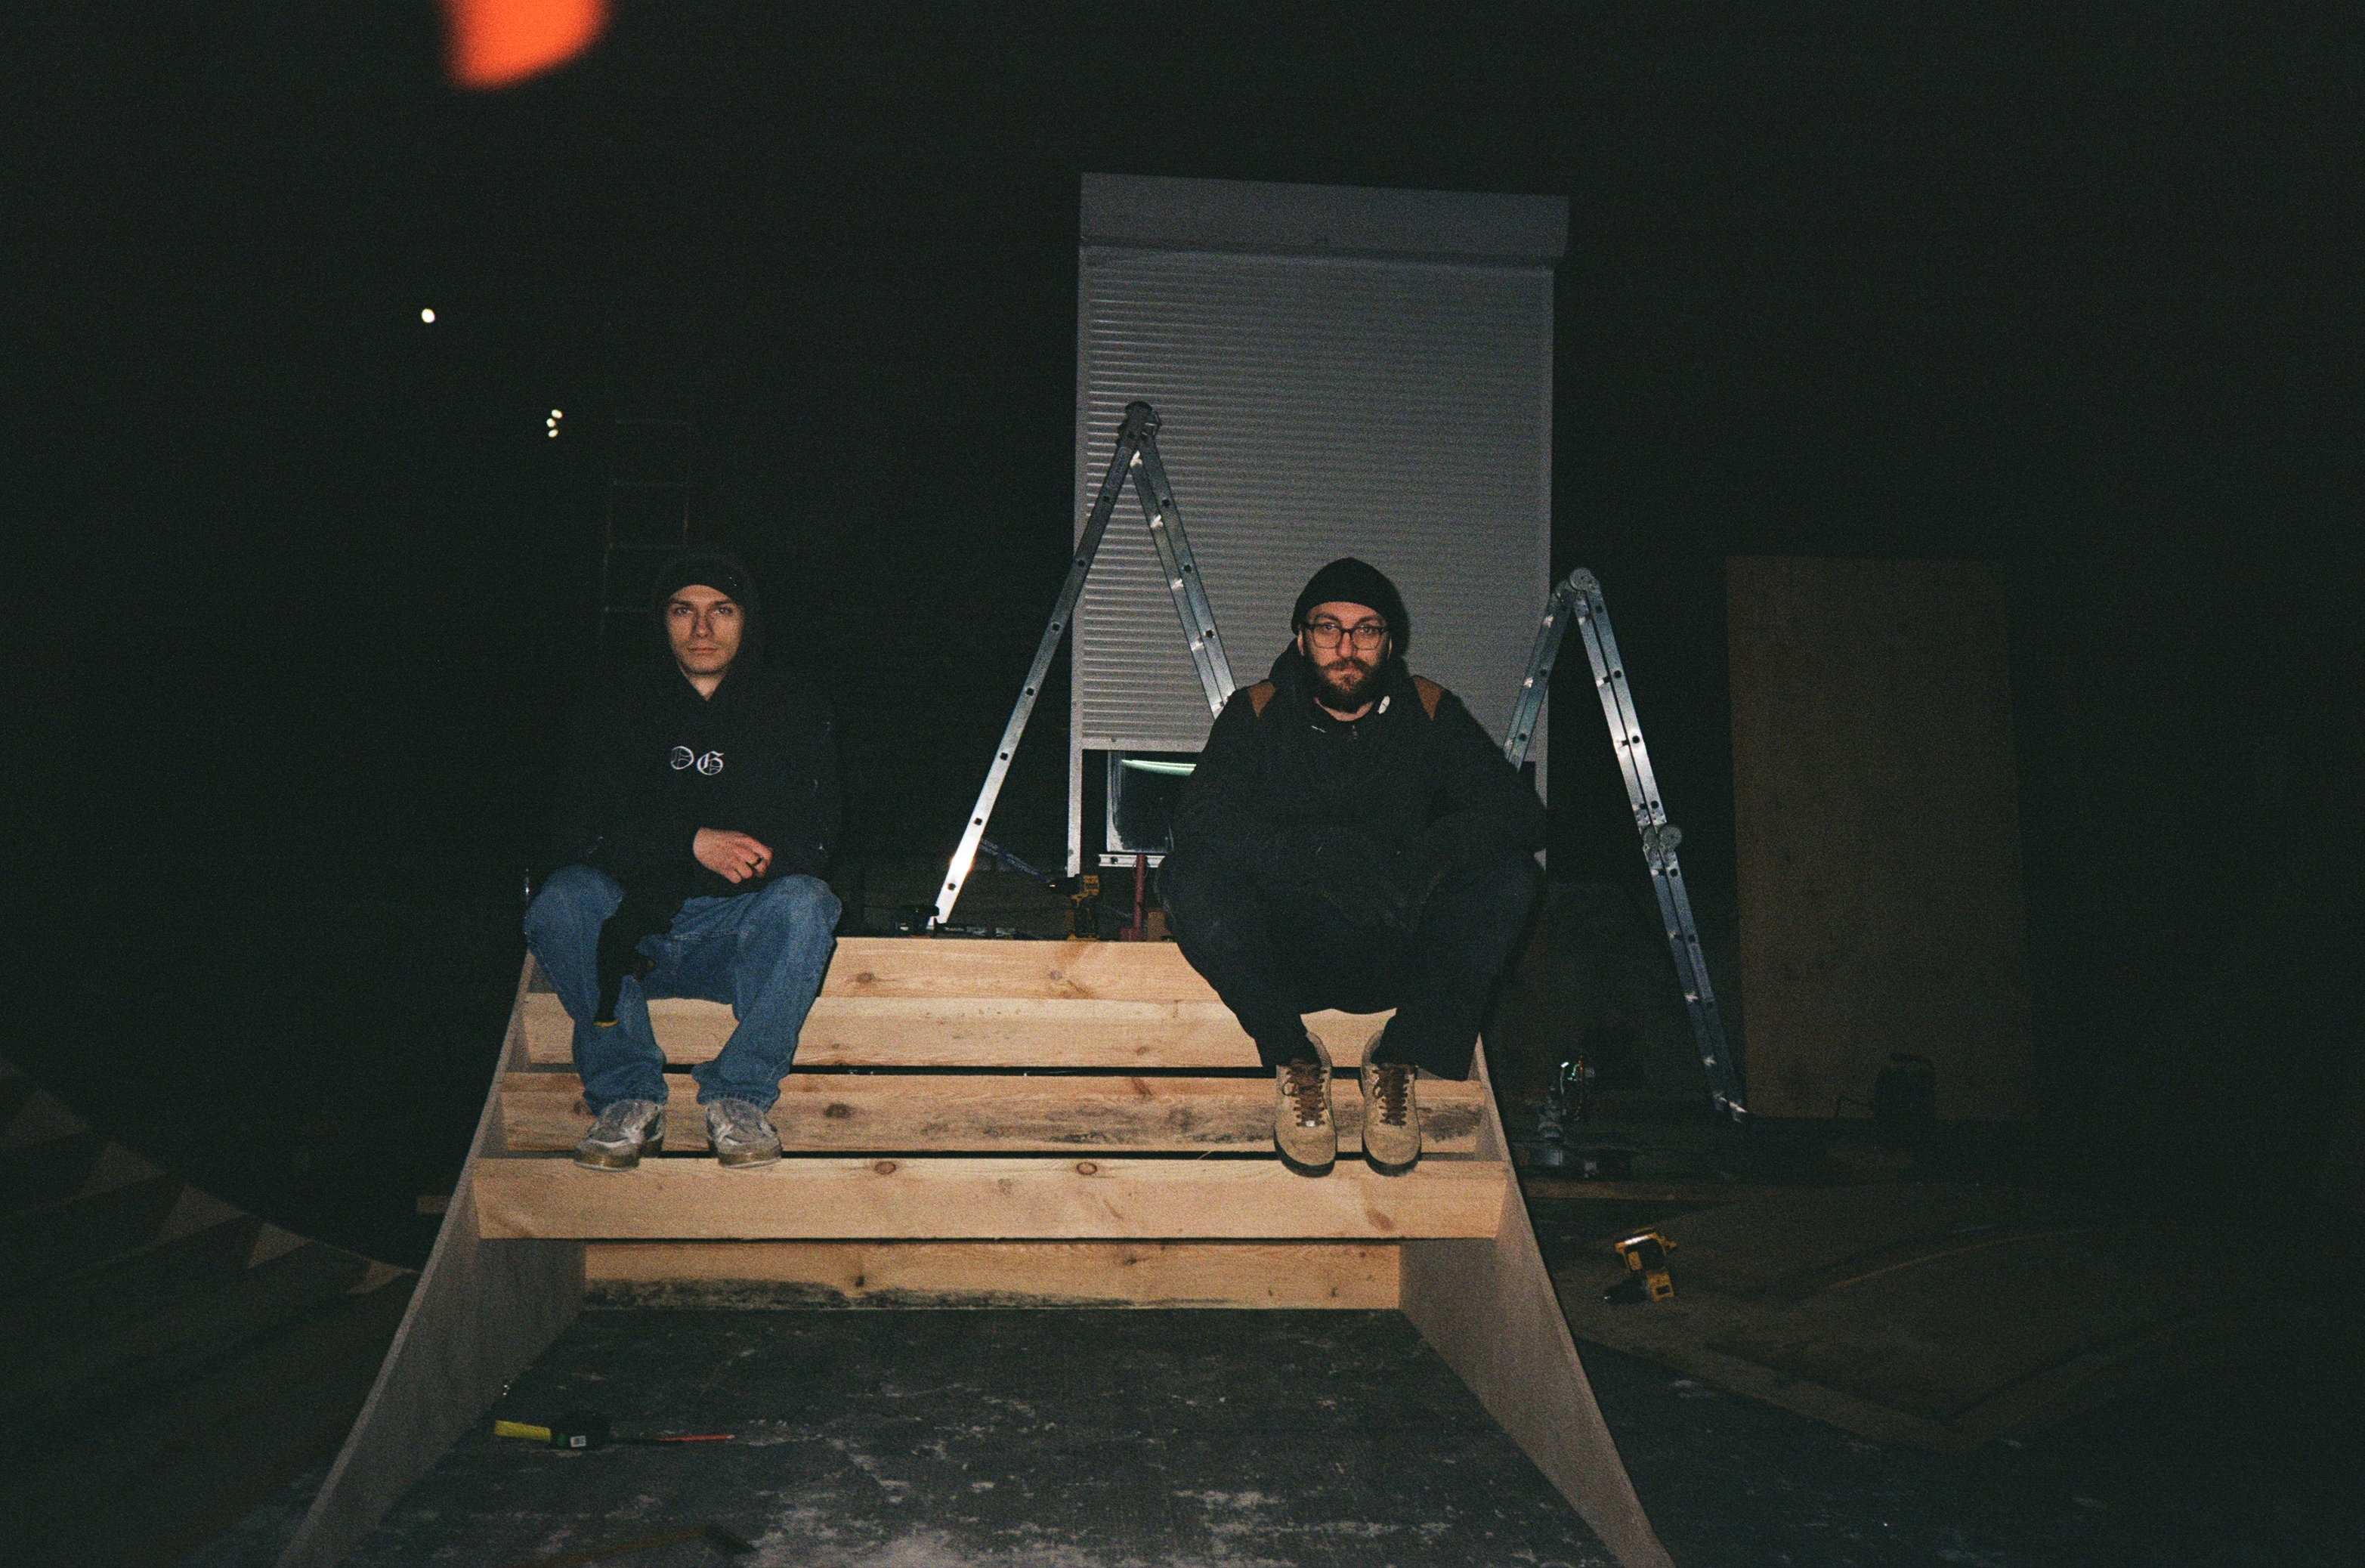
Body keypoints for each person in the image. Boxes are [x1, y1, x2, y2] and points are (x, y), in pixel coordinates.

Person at [1160, 558, 1544, 1176]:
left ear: (1389, 643)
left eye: (1366, 630)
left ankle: (1398, 1058)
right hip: (1287, 953)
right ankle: (1294, 1059)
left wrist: (1430, 851)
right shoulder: (1256, 711)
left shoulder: (1429, 710)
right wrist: (1311, 855)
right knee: (1187, 876)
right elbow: (1200, 821)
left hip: (1397, 943)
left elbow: (1522, 815)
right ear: (1301, 639)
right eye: (1328, 628)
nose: (1346, 648)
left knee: (1511, 874)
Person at [524, 549, 842, 1171]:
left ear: (747, 619)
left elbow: (815, 840)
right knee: (563, 898)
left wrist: (732, 860)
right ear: (661, 620)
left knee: (807, 902)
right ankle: (628, 1097)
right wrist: (688, 841)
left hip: (735, 938)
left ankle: (740, 1097)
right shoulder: (612, 703)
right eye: (682, 611)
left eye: (721, 610)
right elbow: (573, 835)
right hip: (627, 935)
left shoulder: (792, 707)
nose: (702, 629)